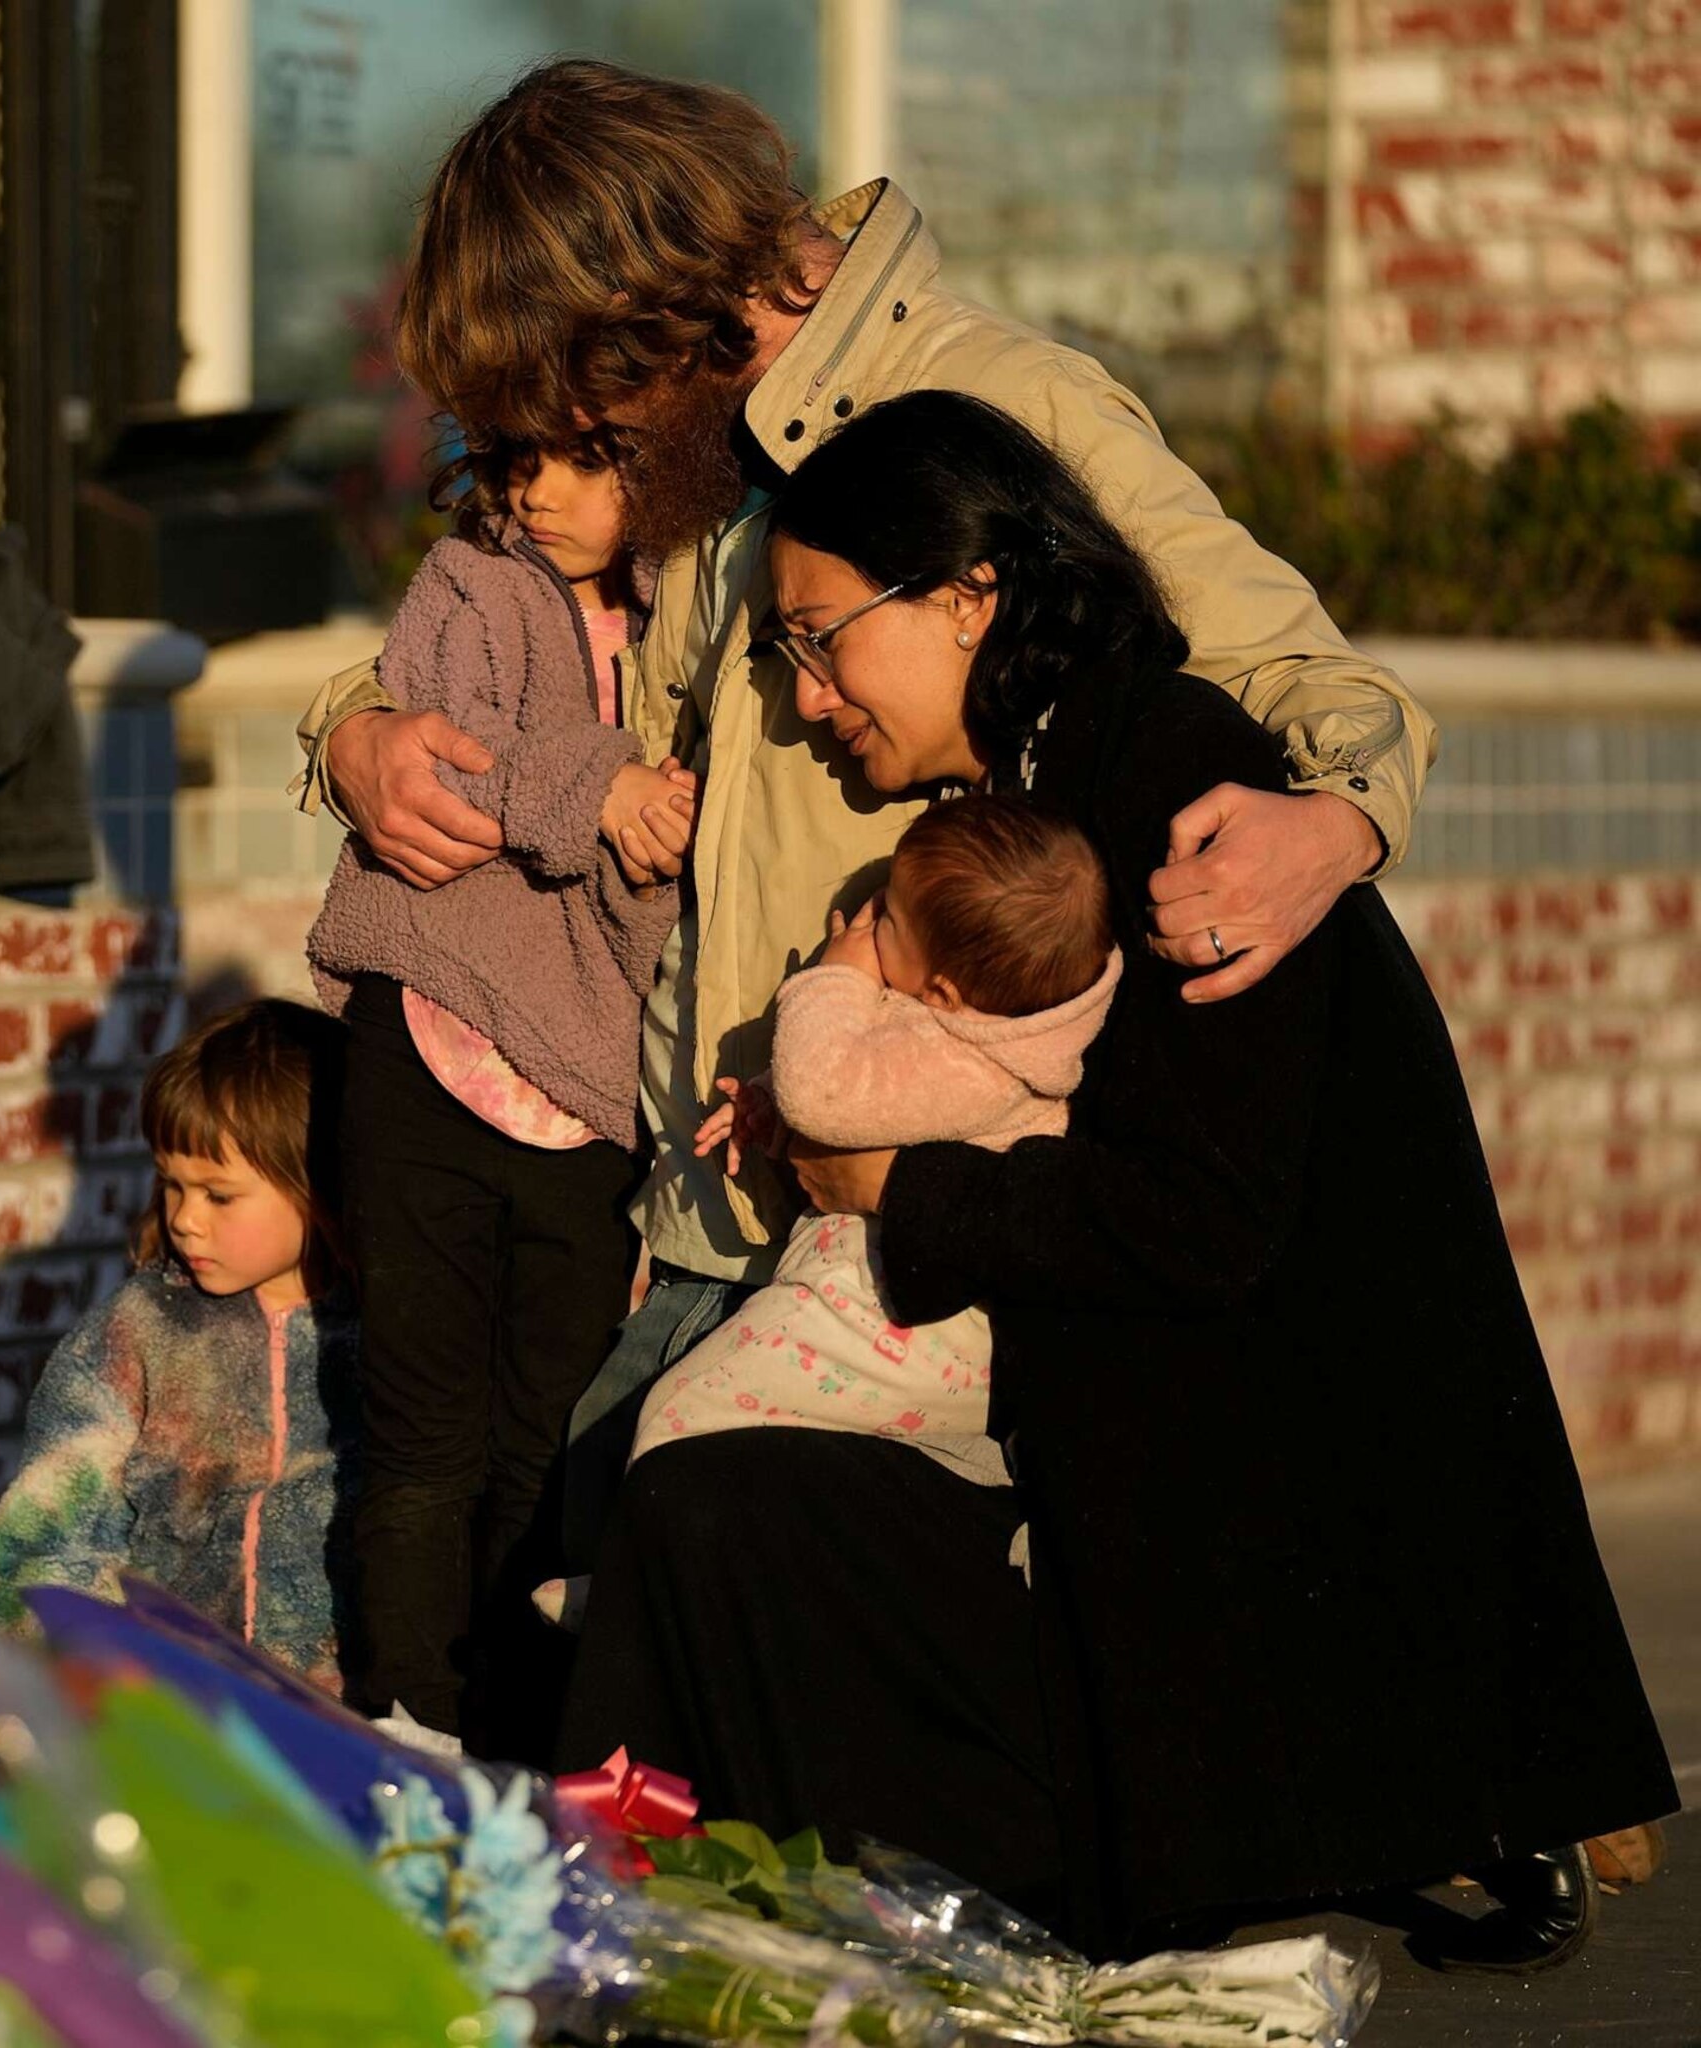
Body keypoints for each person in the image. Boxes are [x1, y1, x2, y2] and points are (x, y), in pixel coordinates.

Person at [557, 390, 1679, 1972]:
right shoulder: (1053, 781)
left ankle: (636, 1919)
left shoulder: (1171, 786)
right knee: (702, 1506)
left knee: (719, 1511)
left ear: (965, 594)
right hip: (1145, 1482)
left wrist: (889, 1187)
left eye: (820, 641)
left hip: (1232, 1553)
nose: (807, 702)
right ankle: (646, 1911)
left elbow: (1200, 1219)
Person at [288, 60, 1438, 1575]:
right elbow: (500, 631)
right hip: (704, 1195)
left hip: (895, 1218)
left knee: (662, 1640)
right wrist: (353, 731)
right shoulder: (699, 451)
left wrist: (1343, 818)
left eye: (582, 401)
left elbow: (1299, 671)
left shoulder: (997, 405)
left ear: (659, 306)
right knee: (579, 1614)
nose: (567, 445)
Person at [303, 435, 696, 1752]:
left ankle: (524, 1751)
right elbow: (449, 751)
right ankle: (409, 1738)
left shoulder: (710, 600)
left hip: (598, 1088)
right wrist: (606, 786)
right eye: (520, 458)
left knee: (551, 1437)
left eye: (588, 461)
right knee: (421, 1437)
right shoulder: (472, 576)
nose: (539, 490)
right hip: (432, 1036)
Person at [631, 796, 1119, 1484]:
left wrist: (838, 976)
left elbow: (827, 1093)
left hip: (896, 1323)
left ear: (944, 992)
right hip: (876, 1310)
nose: (865, 920)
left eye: (886, 914)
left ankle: (627, 1588)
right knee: (751, 1458)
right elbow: (861, 1093)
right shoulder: (965, 1030)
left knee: (681, 1418)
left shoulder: (977, 1065)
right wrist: (769, 1110)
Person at [0, 1000, 357, 1695]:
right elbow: (46, 1538)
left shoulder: (387, 1338)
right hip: (167, 1713)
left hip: (348, 1728)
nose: (185, 1220)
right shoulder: (135, 1333)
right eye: (173, 1186)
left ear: (319, 1184)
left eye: (219, 1195)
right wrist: (91, 1677)